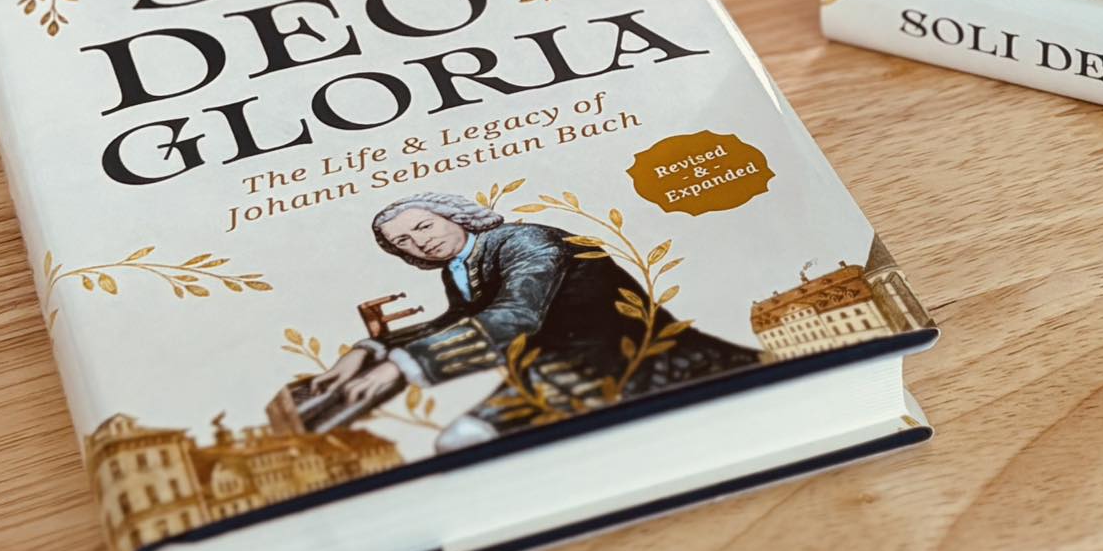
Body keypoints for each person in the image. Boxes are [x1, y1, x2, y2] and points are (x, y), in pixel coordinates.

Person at [300, 192, 759, 450]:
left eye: (424, 227)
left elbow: (517, 315)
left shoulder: (524, 241)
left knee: (462, 441)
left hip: (621, 363)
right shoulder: (462, 264)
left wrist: (401, 367)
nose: (419, 244)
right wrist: (370, 351)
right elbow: (460, 319)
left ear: (454, 216)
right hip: (557, 368)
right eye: (403, 241)